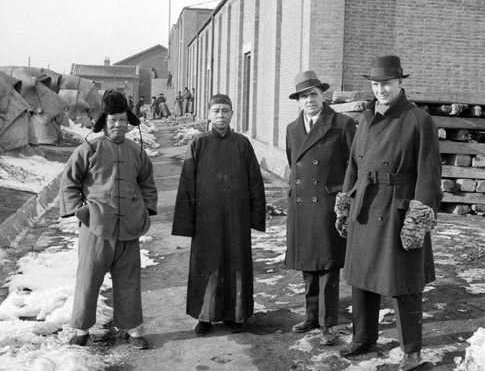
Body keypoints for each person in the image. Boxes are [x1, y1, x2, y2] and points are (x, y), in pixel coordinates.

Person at [335, 56, 442, 371]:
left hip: (397, 210)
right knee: (361, 277)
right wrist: (345, 202)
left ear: (400, 83)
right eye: (375, 84)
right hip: (364, 206)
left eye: (387, 83)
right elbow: (354, 166)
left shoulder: (418, 120)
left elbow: (429, 174)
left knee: (402, 283)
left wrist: (417, 218)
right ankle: (363, 337)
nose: (381, 89)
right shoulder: (366, 118)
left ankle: (411, 349)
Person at [59, 90, 158, 349]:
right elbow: (69, 182)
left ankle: (133, 330)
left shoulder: (137, 152)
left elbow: (147, 183)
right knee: (89, 278)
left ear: (129, 122)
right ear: (104, 122)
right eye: (113, 120)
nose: (118, 125)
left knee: (129, 280)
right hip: (96, 228)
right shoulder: (88, 149)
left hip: (129, 228)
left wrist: (145, 210)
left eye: (123, 120)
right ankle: (82, 329)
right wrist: (80, 210)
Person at [172, 94, 266, 336]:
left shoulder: (242, 143)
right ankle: (205, 316)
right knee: (207, 264)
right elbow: (187, 184)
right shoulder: (198, 143)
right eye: (216, 111)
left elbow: (255, 181)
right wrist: (187, 221)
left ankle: (235, 315)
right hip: (207, 219)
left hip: (237, 218)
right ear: (209, 114)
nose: (221, 115)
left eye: (225, 111)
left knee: (236, 264)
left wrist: (255, 217)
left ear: (232, 114)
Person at [285, 71, 356, 346]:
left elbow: (354, 165)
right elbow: (294, 163)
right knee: (308, 263)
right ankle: (312, 315)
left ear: (323, 96)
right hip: (302, 203)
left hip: (327, 204)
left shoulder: (342, 124)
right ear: (299, 102)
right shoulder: (293, 128)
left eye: (314, 94)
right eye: (304, 96)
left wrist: (345, 198)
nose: (309, 100)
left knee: (327, 265)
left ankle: (328, 324)